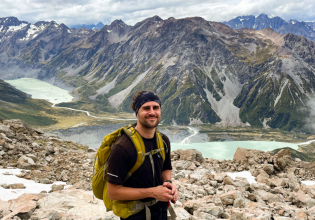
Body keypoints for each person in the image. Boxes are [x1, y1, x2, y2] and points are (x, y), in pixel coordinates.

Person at [107, 90, 178, 220]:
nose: (152, 112)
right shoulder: (123, 147)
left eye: (156, 107)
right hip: (135, 215)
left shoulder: (163, 140)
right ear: (137, 112)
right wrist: (152, 192)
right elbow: (113, 192)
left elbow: (166, 168)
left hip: (160, 211)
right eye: (146, 108)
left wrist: (168, 183)